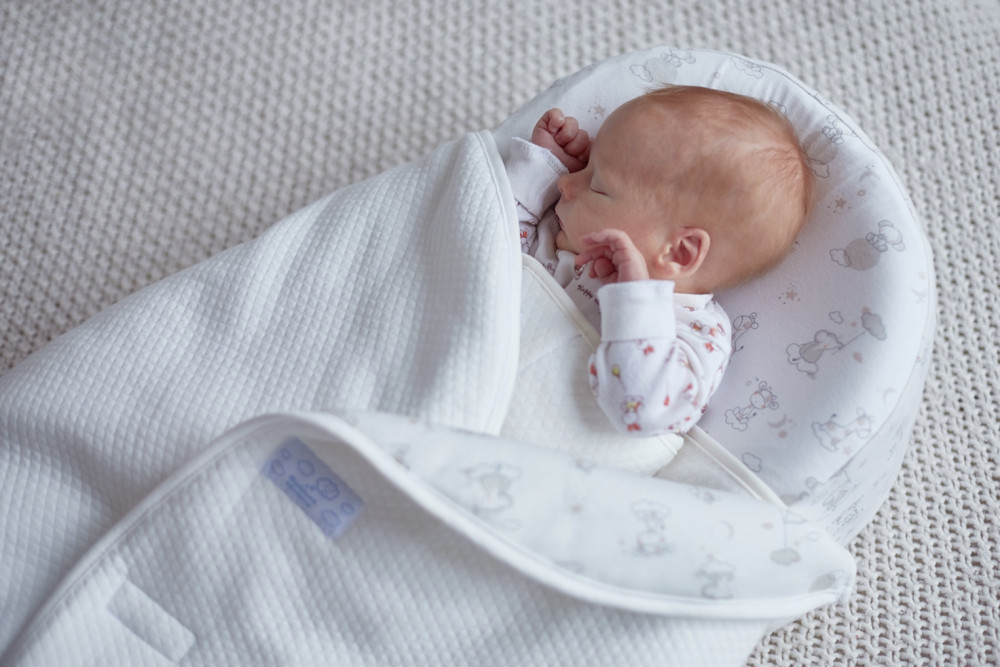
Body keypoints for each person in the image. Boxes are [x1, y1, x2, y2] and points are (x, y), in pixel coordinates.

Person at [505, 85, 813, 437]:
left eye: (599, 186)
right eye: (585, 167)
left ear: (678, 253)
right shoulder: (560, 242)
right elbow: (486, 243)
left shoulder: (694, 332)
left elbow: (641, 411)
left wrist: (634, 301)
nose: (565, 183)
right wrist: (541, 168)